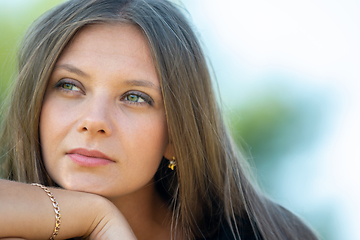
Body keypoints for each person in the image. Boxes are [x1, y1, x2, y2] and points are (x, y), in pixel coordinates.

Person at [0, 0, 319, 239]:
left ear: (175, 137)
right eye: (69, 86)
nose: (94, 121)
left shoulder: (270, 233)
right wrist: (92, 215)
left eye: (135, 97)